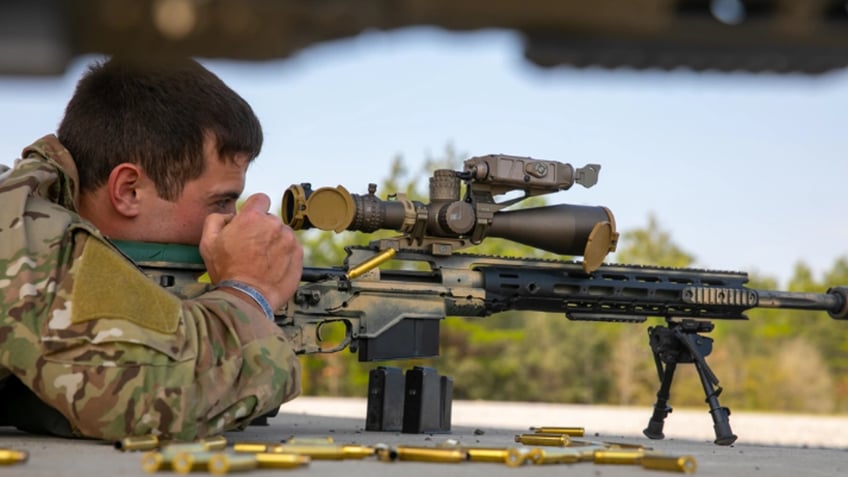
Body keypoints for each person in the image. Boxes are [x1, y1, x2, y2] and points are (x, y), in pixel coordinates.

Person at [0, 57, 303, 441]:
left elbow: (76, 381)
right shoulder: (24, 231)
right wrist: (248, 291)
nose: (232, 223)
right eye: (221, 203)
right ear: (129, 191)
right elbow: (159, 396)